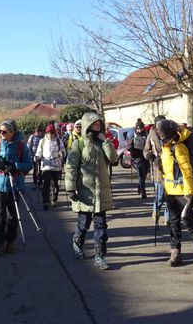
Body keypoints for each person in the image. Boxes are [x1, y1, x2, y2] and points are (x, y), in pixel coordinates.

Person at [65, 112, 118, 270]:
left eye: (99, 125)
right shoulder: (78, 143)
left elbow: (114, 159)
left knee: (101, 226)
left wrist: (106, 142)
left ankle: (100, 256)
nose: (97, 127)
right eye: (94, 124)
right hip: (85, 192)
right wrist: (70, 188)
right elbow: (71, 167)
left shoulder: (102, 142)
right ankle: (77, 243)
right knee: (84, 223)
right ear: (88, 125)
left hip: (101, 193)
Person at [156, 119, 193, 269]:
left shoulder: (178, 147)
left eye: (160, 130)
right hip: (170, 191)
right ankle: (175, 252)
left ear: (167, 131)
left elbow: (186, 170)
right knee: (173, 223)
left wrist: (189, 192)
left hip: (182, 192)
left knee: (188, 222)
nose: (158, 132)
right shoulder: (166, 146)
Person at [0, 119, 32, 256]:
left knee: (12, 216)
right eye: (0, 131)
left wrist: (15, 166)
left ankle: (10, 241)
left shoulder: (21, 147)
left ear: (13, 132)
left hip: (15, 184)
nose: (2, 133)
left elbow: (29, 164)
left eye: (5, 131)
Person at [143, 115, 170, 224]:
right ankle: (156, 211)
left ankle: (168, 218)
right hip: (157, 169)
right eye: (159, 124)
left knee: (169, 196)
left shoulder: (169, 134)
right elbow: (145, 150)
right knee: (160, 196)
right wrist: (149, 155)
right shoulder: (151, 135)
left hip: (169, 169)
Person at [35, 123, 66, 209]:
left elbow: (63, 150)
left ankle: (54, 199)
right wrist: (37, 157)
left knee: (55, 184)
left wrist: (62, 154)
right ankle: (45, 201)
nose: (50, 134)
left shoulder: (58, 140)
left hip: (56, 165)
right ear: (46, 132)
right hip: (46, 165)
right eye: (49, 132)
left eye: (52, 132)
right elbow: (39, 152)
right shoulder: (43, 141)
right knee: (46, 183)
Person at [130, 121, 149, 198]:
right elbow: (128, 146)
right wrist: (130, 149)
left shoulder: (147, 136)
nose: (139, 130)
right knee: (141, 174)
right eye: (138, 129)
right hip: (137, 158)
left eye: (140, 128)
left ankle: (139, 187)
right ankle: (143, 192)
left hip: (145, 157)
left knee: (144, 175)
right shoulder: (133, 136)